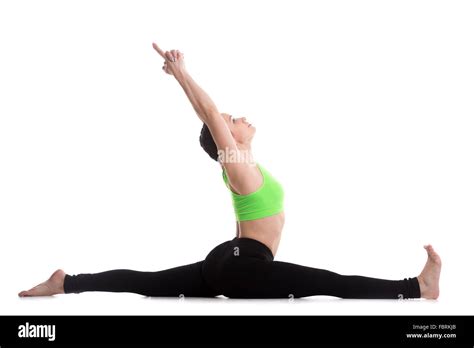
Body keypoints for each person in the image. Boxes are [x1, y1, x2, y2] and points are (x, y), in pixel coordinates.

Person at [18, 43, 441, 300]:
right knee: (329, 282)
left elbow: (213, 121)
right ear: (228, 141)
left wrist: (184, 81)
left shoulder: (246, 166)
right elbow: (208, 115)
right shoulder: (237, 167)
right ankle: (415, 288)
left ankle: (68, 282)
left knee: (150, 283)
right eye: (231, 120)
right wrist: (182, 74)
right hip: (242, 264)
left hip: (229, 260)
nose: (237, 118)